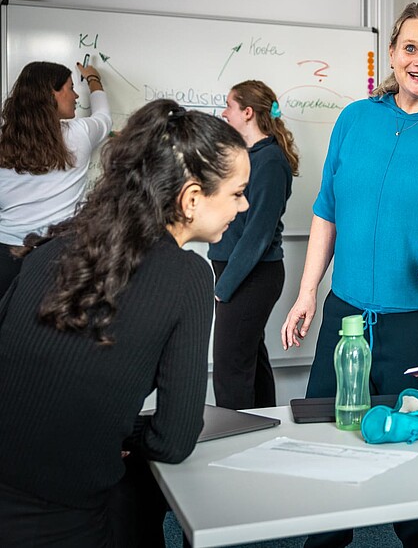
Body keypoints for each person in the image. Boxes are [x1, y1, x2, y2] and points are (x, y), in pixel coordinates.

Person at [280, 2, 418, 548]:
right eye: (410, 48)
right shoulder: (355, 119)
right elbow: (327, 210)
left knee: (415, 462)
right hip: (346, 315)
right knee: (327, 446)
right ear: (392, 54)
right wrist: (307, 294)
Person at [0, 99, 250, 547]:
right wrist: (124, 434)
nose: (244, 205)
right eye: (237, 192)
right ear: (192, 198)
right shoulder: (189, 277)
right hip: (60, 519)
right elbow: (174, 441)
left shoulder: (51, 248)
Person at [208, 80, 298, 410]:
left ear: (247, 112)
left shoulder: (270, 161)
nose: (224, 113)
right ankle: (263, 427)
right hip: (236, 272)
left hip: (251, 276)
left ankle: (235, 432)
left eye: (229, 106)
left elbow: (258, 234)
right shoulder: (246, 156)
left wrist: (224, 286)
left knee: (230, 367)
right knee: (249, 359)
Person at [0, 59, 111, 296]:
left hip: (5, 254)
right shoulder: (79, 134)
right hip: (54, 256)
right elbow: (104, 117)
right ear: (53, 93)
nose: (76, 96)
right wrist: (93, 79)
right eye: (71, 88)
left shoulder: (3, 142)